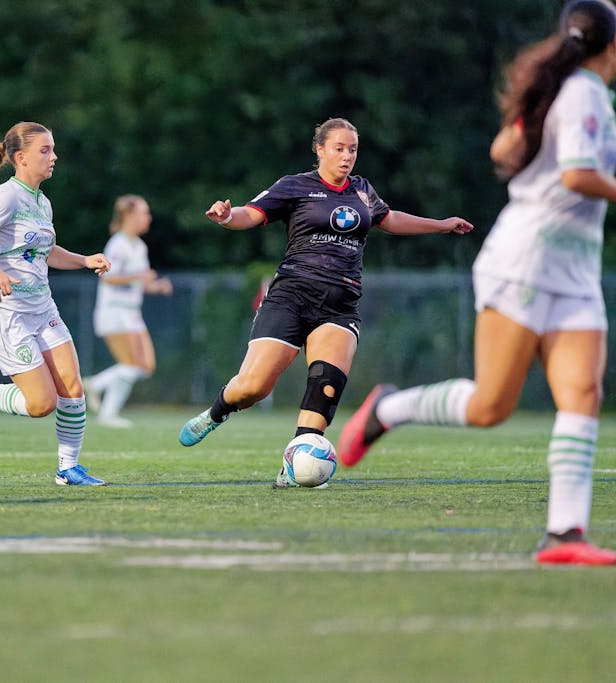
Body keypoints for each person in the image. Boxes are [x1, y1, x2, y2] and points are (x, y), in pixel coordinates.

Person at [337, 0, 616, 565]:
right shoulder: (583, 91)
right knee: (491, 406)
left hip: (575, 267)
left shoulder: (566, 90)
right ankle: (388, 409)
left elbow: (501, 151)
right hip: (526, 263)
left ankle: (564, 535)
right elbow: (578, 175)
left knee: (582, 393)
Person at [177, 117, 473, 489]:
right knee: (252, 387)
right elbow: (250, 215)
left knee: (325, 384)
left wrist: (441, 224)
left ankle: (294, 463)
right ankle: (217, 412)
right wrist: (226, 217)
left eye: (353, 149)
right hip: (291, 296)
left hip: (340, 302)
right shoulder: (295, 186)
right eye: (339, 148)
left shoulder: (362, 189)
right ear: (319, 150)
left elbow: (390, 218)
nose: (347, 156)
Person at [0, 121, 112, 486]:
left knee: (73, 389)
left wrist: (83, 260)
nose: (53, 156)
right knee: (40, 405)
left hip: (43, 309)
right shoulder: (5, 196)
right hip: (9, 313)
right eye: (45, 150)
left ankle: (68, 469)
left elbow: (43, 253)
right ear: (20, 157)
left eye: (53, 149)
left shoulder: (41, 202)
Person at [83, 194, 172, 428]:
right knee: (133, 365)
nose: (148, 218)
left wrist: (156, 286)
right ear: (129, 216)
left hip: (131, 312)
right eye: (144, 213)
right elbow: (108, 279)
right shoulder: (118, 244)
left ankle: (97, 388)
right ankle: (104, 404)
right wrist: (140, 276)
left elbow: (138, 283)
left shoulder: (139, 246)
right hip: (114, 311)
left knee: (144, 366)